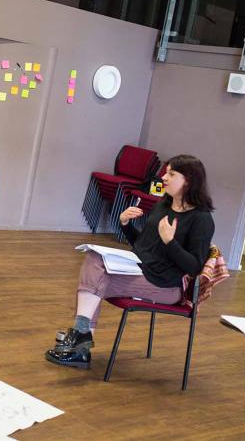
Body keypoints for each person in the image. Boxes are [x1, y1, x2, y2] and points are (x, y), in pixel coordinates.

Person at [45, 154, 215, 369]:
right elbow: (143, 247)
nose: (164, 177)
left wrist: (170, 242)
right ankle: (81, 344)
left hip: (167, 285)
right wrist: (125, 223)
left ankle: (81, 343)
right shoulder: (164, 205)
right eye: (165, 172)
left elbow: (193, 267)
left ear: (188, 180)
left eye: (171, 174)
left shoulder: (202, 219)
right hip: (141, 269)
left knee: (93, 283)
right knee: (94, 260)